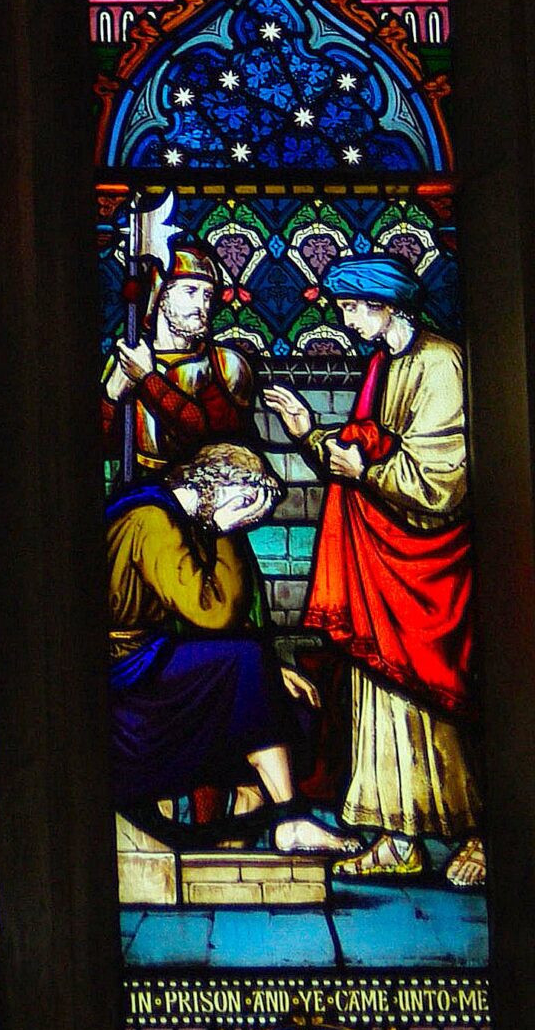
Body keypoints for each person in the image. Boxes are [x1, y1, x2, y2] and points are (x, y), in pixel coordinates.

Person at [262, 254, 480, 886]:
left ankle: (479, 832)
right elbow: (361, 451)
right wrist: (308, 434)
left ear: (388, 306)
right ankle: (396, 837)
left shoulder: (441, 363)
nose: (347, 320)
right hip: (381, 563)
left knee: (441, 689)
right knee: (380, 687)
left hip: (430, 566)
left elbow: (443, 480)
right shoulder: (383, 363)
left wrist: (368, 470)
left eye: (354, 308)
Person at [106, 442, 355, 853]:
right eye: (244, 507)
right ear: (215, 485)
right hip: (124, 688)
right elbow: (213, 612)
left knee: (289, 705)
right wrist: (225, 531)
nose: (246, 521)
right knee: (245, 659)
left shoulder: (181, 519)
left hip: (149, 667)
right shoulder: (150, 520)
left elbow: (210, 625)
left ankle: (237, 840)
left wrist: (271, 672)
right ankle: (289, 817)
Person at [103, 240, 256, 477]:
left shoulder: (225, 364)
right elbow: (98, 445)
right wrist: (111, 396)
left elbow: (210, 438)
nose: (202, 305)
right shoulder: (128, 358)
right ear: (161, 296)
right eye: (191, 292)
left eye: (207, 295)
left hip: (205, 484)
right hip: (140, 483)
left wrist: (148, 379)